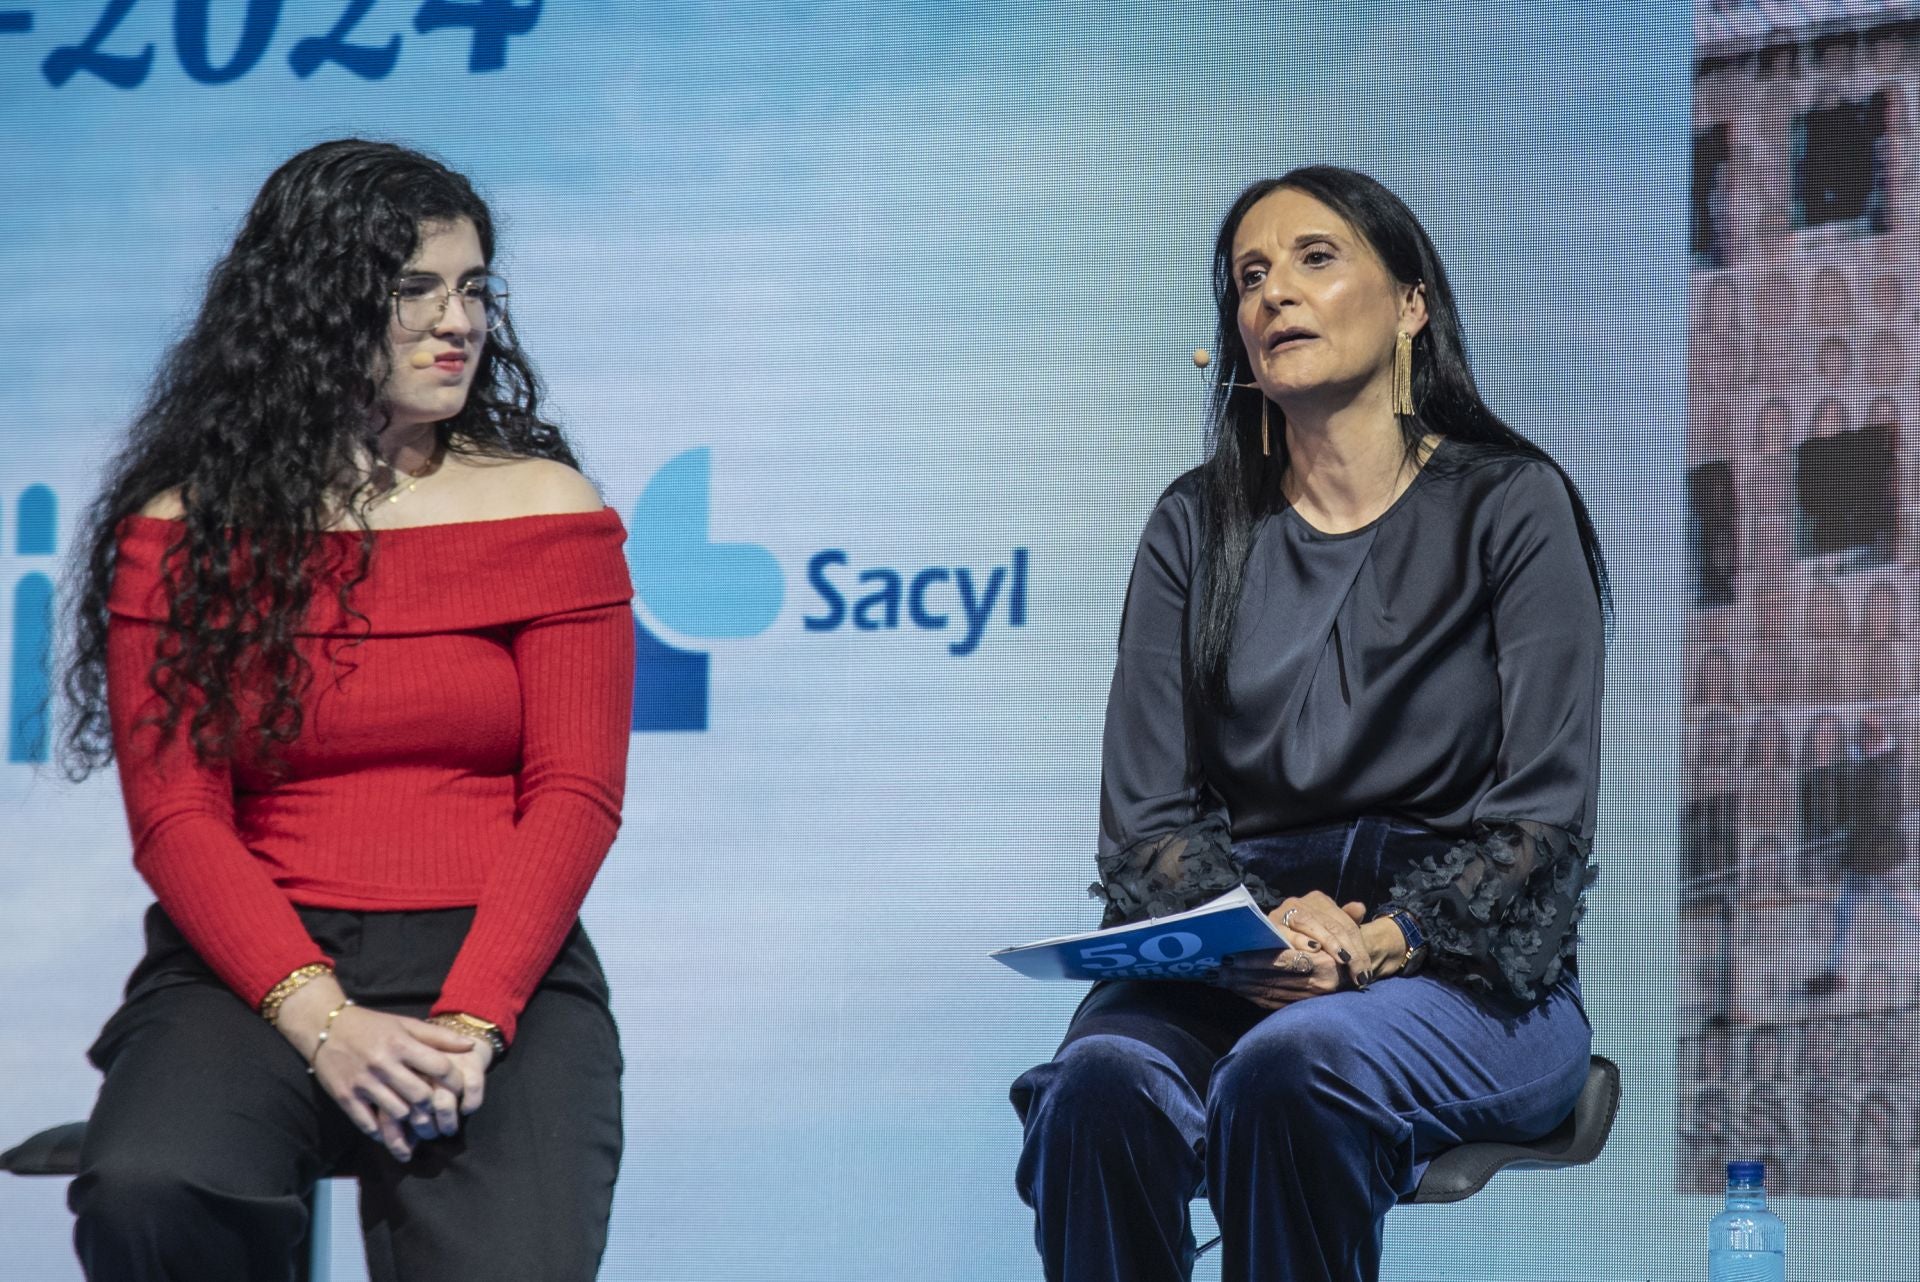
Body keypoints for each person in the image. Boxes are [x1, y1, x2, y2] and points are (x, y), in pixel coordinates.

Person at [1010, 167, 1611, 1282]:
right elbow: (1144, 826)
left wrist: (1371, 943)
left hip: (1458, 967)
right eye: (1250, 276)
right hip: (1238, 949)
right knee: (1093, 1089)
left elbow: (1539, 830)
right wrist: (1258, 936)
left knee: (1296, 1065)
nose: (1273, 292)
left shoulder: (1512, 505)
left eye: (1314, 258)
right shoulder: (1195, 524)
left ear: (1411, 304)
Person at [57, 139, 634, 1281]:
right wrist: (324, 1018)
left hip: (494, 962)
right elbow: (178, 818)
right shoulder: (186, 532)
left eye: (472, 289)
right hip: (260, 962)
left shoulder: (543, 507)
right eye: (413, 289)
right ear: (314, 307)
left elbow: (574, 795)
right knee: (153, 1186)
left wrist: (469, 1024)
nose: (456, 321)